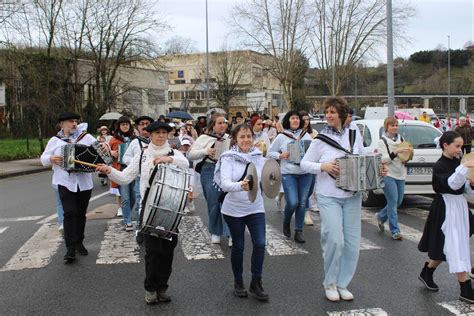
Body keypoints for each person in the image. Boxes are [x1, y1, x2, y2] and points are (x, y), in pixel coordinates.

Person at [96, 121, 189, 305]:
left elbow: (185, 164)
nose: (161, 136)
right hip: (148, 211)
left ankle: (163, 287)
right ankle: (150, 289)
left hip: (171, 211)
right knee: (152, 253)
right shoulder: (142, 155)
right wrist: (109, 171)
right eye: (157, 133)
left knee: (167, 253)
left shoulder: (174, 153)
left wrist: (168, 159)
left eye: (164, 133)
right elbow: (124, 178)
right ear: (150, 135)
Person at [300, 97, 366, 301]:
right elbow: (304, 164)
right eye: (327, 111)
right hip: (329, 196)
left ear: (343, 116)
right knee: (335, 240)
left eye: (333, 112)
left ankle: (342, 283)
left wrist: (377, 167)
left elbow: (363, 160)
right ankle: (329, 283)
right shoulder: (320, 140)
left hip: (353, 196)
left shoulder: (355, 136)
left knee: (352, 244)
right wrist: (323, 167)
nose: (328, 115)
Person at [417, 131, 474, 304]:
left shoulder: (457, 162)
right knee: (455, 245)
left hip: (459, 206)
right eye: (457, 146)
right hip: (446, 207)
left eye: (461, 146)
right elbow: (451, 184)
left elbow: (464, 189)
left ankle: (427, 272)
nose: (459, 150)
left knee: (448, 244)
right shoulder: (440, 166)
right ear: (445, 145)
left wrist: (471, 183)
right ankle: (465, 288)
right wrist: (465, 168)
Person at [214, 124, 268, 301]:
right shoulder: (228, 157)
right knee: (239, 246)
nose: (246, 140)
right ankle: (238, 282)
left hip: (256, 207)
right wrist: (240, 186)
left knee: (260, 244)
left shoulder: (258, 157)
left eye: (249, 136)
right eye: (242, 137)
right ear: (235, 139)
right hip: (234, 209)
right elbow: (224, 183)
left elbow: (269, 178)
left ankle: (256, 282)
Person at [40, 112, 96, 263]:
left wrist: (103, 147)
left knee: (81, 214)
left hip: (84, 182)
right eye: (71, 121)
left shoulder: (86, 138)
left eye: (76, 121)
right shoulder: (55, 140)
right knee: (69, 213)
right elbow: (43, 158)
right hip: (64, 182)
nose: (74, 124)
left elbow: (101, 153)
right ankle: (70, 248)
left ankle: (79, 242)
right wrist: (51, 158)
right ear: (62, 124)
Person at [268, 110, 313, 243]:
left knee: (302, 203)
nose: (295, 121)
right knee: (293, 202)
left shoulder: (306, 136)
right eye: (293, 118)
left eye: (297, 119)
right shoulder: (282, 137)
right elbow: (270, 152)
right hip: (289, 174)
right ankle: (286, 221)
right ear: (288, 120)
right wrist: (280, 156)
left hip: (306, 174)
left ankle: (298, 230)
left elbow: (315, 152)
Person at [188, 113, 230, 245]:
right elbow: (190, 154)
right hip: (209, 169)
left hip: (227, 169)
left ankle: (230, 233)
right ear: (213, 125)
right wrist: (205, 151)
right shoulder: (204, 138)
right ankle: (215, 231)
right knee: (213, 201)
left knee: (228, 201)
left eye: (224, 122)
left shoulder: (229, 138)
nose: (223, 125)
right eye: (220, 123)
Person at [375, 117, 410, 240]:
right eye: (392, 125)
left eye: (396, 125)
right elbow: (382, 159)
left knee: (398, 202)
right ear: (386, 127)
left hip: (401, 174)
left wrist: (408, 154)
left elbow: (405, 156)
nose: (395, 127)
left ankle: (381, 216)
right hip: (388, 175)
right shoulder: (382, 142)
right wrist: (395, 152)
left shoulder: (402, 139)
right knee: (393, 202)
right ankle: (395, 231)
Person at [122, 115, 154, 226]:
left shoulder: (158, 140)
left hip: (156, 177)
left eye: (147, 124)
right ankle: (140, 225)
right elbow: (125, 158)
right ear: (138, 127)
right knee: (140, 201)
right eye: (142, 124)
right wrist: (137, 163)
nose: (145, 126)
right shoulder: (134, 143)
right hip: (140, 178)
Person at [109, 116, 136, 231]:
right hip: (121, 171)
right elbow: (104, 155)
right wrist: (111, 153)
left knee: (134, 197)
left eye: (127, 124)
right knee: (125, 197)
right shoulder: (114, 140)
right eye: (122, 124)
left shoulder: (135, 139)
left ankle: (131, 216)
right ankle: (127, 221)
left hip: (134, 170)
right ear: (118, 126)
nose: (125, 126)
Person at [300, 110, 317, 226]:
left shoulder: (314, 133)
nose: (306, 121)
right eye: (304, 119)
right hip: (299, 167)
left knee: (310, 190)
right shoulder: (296, 133)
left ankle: (302, 208)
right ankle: (306, 213)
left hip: (311, 165)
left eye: (308, 119)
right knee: (304, 192)